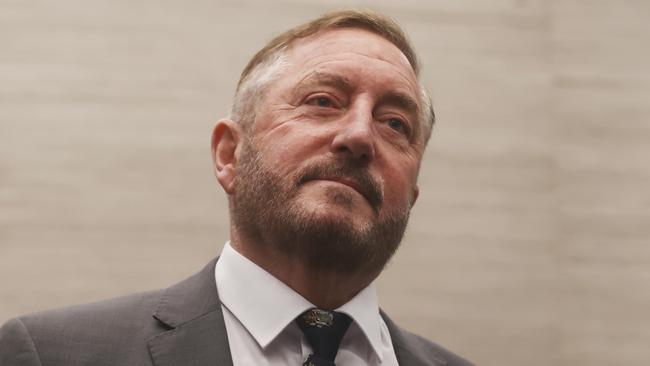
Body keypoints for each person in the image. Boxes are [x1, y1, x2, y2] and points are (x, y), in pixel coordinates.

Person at [0, 9, 473, 366]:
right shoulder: (50, 354)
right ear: (229, 155)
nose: (358, 136)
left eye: (394, 123)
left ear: (410, 196)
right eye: (323, 101)